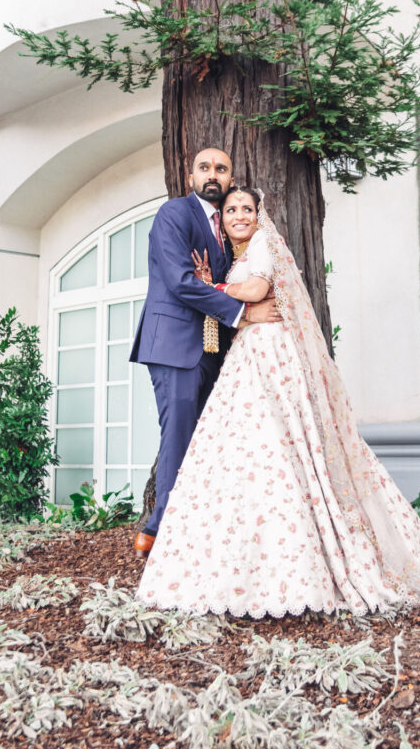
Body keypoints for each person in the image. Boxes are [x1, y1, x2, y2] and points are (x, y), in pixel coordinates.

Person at [136, 186, 420, 617]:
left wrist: (217, 287)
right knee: (247, 446)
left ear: (259, 215)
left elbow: (255, 289)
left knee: (277, 440)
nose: (240, 216)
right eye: (231, 210)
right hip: (248, 353)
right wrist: (215, 282)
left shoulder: (262, 244)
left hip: (269, 352)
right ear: (221, 220)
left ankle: (293, 558)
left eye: (247, 209)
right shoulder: (236, 254)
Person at [129, 150, 281, 559]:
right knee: (179, 433)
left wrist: (218, 287)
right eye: (205, 168)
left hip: (214, 349)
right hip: (175, 344)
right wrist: (243, 314)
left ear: (230, 179)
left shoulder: (229, 229)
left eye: (221, 169)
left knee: (208, 438)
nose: (213, 174)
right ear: (190, 176)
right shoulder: (174, 214)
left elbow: (220, 280)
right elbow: (180, 281)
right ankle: (159, 530)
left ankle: (198, 527)